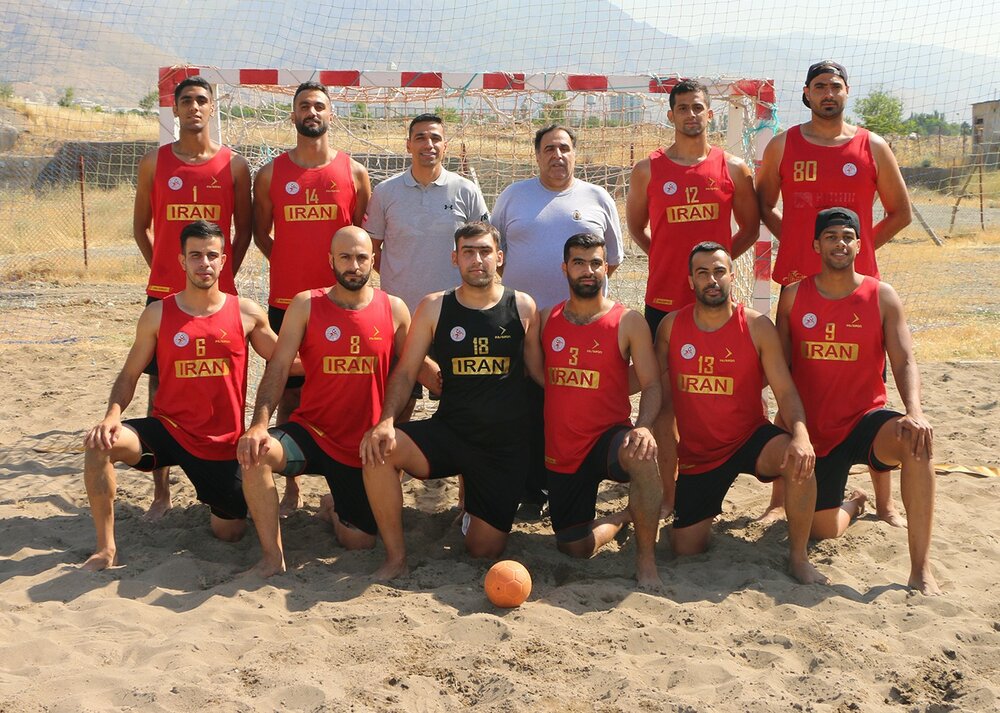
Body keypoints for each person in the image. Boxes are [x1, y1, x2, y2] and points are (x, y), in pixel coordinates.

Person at [757, 60, 913, 524]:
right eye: (820, 86)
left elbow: (900, 212)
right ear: (806, 93)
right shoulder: (783, 144)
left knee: (868, 390)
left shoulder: (872, 146)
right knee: (791, 382)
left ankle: (884, 503)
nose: (829, 93)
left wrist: (853, 254)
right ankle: (777, 501)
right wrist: (799, 245)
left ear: (847, 92)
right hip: (798, 290)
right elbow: (763, 203)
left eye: (836, 86)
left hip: (855, 292)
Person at [81, 221, 280, 571]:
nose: (204, 263)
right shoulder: (157, 314)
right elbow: (129, 374)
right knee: (99, 444)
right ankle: (106, 549)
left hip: (220, 443)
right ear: (182, 261)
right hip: (168, 429)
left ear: (223, 261)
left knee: (230, 532)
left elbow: (286, 362)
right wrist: (112, 416)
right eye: (195, 255)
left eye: (212, 255)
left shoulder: (246, 312)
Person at [360, 222, 540, 580]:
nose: (477, 259)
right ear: (455, 258)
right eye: (468, 252)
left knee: (484, 550)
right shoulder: (434, 307)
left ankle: (473, 507)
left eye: (485, 251)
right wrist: (386, 421)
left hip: (502, 447)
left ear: (499, 257)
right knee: (379, 448)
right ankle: (396, 557)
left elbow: (537, 376)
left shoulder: (522, 306)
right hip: (452, 432)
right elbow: (406, 372)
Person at [775, 207, 939, 595]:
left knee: (917, 441)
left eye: (848, 237)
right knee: (824, 530)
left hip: (866, 420)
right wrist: (788, 424)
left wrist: (915, 411)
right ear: (816, 245)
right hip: (815, 430)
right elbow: (780, 368)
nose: (840, 243)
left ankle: (921, 569)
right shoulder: (793, 296)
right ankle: (855, 503)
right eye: (831, 237)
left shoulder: (882, 296)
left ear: (859, 245)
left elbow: (904, 360)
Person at [238, 227, 414, 577]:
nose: (354, 265)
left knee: (359, 542)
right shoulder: (306, 304)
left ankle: (332, 508)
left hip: (361, 446)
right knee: (256, 453)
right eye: (345, 257)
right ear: (331, 260)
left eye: (361, 257)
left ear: (373, 260)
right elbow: (278, 368)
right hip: (312, 433)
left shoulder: (394, 308)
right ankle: (273, 558)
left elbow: (411, 370)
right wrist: (258, 424)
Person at [654, 242, 826, 585]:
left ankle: (798, 558)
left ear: (732, 276)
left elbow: (785, 390)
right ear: (690, 281)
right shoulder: (671, 327)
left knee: (798, 458)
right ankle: (686, 513)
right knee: (686, 548)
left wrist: (801, 435)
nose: (712, 279)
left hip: (748, 437)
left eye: (719, 271)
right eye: (702, 273)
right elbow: (653, 391)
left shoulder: (757, 326)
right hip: (700, 455)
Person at [625, 79, 760, 516]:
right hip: (664, 303)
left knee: (710, 393)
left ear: (710, 113)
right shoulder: (647, 169)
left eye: (698, 107)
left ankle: (710, 473)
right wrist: (671, 263)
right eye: (682, 107)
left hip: (715, 308)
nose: (691, 114)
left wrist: (714, 272)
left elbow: (751, 228)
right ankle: (669, 494)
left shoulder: (733, 168)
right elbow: (636, 228)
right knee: (663, 403)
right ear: (671, 115)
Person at [132, 75, 252, 519]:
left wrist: (222, 277)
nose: (195, 107)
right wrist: (167, 272)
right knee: (159, 387)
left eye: (202, 100)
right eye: (186, 100)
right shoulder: (154, 162)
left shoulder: (234, 165)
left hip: (219, 299)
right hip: (165, 295)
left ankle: (226, 468)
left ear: (212, 107)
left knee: (224, 382)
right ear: (176, 109)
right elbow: (140, 227)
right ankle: (160, 492)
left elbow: (245, 231)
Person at [253, 81, 372, 517]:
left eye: (319, 105)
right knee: (289, 391)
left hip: (340, 303)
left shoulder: (354, 172)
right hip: (287, 302)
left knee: (345, 389)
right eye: (304, 105)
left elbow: (360, 237)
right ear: (293, 115)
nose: (312, 111)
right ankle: (291, 486)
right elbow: (260, 233)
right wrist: (290, 264)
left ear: (331, 114)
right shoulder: (270, 173)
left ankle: (348, 478)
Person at [491, 124, 624, 514]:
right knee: (527, 406)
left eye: (564, 147)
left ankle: (573, 480)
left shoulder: (597, 197)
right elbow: (495, 253)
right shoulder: (513, 196)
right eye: (549, 148)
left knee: (572, 407)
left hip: (580, 327)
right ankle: (531, 490)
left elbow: (611, 260)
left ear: (575, 153)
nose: (557, 155)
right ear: (537, 155)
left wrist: (580, 302)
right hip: (522, 324)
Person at [537, 233, 662, 589]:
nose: (588, 270)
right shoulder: (546, 319)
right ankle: (624, 516)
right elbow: (536, 373)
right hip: (563, 449)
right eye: (579, 262)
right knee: (574, 547)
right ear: (565, 268)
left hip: (609, 438)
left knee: (642, 454)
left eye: (595, 263)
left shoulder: (629, 320)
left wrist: (644, 426)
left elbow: (653, 384)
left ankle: (646, 560)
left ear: (606, 268)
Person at [364, 112, 488, 411]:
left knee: (458, 405)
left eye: (435, 138)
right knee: (398, 405)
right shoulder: (385, 192)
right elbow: (372, 251)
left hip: (455, 314)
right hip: (400, 318)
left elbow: (484, 248)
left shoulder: (466, 190)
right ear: (408, 144)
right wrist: (400, 276)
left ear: (445, 145)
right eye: (420, 137)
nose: (428, 144)